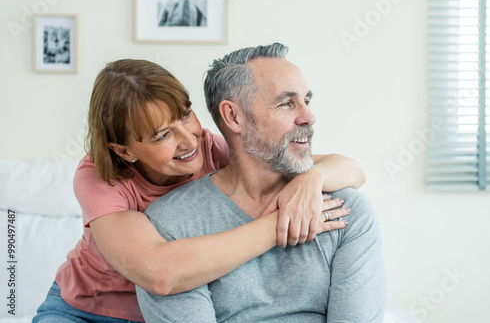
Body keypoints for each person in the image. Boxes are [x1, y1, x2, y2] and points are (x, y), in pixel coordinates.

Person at [32, 58, 365, 322]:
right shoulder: (99, 176)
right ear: (124, 151)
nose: (188, 139)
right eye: (163, 135)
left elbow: (350, 169)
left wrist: (312, 180)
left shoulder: (210, 148)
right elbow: (159, 273)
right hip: (85, 311)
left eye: (185, 115)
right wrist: (279, 224)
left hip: (163, 313)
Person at [136, 43, 386, 322]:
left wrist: (313, 178)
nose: (309, 117)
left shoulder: (345, 209)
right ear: (233, 116)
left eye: (307, 100)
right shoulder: (171, 224)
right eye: (287, 103)